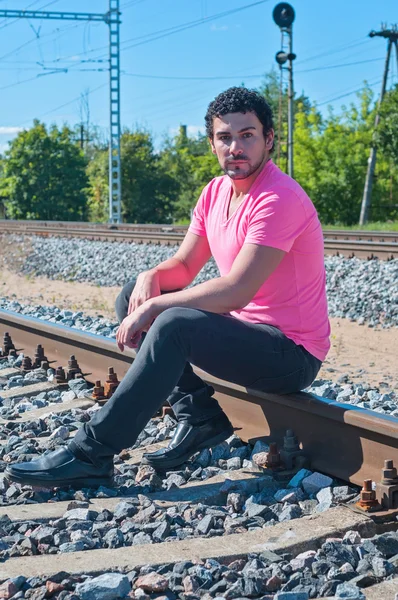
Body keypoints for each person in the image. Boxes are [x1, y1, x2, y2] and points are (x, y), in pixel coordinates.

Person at [5, 87, 330, 489]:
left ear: (269, 139)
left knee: (171, 321)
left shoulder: (279, 198)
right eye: (225, 137)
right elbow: (183, 267)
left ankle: (92, 453)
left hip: (291, 353)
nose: (236, 147)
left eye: (247, 135)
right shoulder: (215, 193)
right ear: (211, 142)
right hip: (250, 337)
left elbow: (236, 290)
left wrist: (155, 309)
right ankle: (199, 416)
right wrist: (150, 280)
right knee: (133, 294)